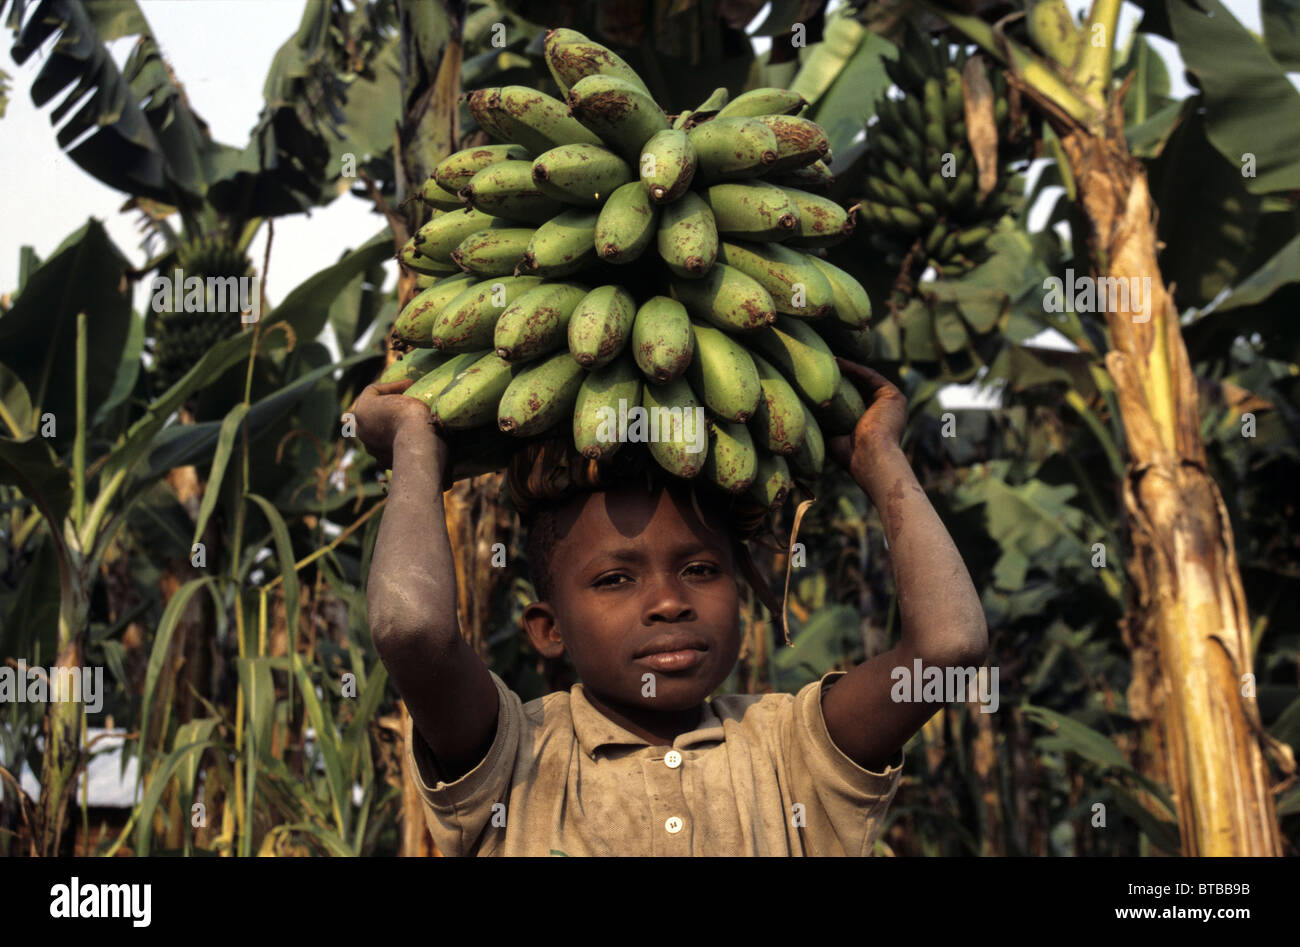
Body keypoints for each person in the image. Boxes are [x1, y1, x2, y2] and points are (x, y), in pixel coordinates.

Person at [351, 357, 987, 855]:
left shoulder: (792, 751)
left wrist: (880, 460)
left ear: (740, 591)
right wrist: (416, 448)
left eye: (701, 569)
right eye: (614, 580)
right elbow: (410, 629)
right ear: (548, 630)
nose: (667, 602)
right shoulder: (515, 753)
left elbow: (949, 647)